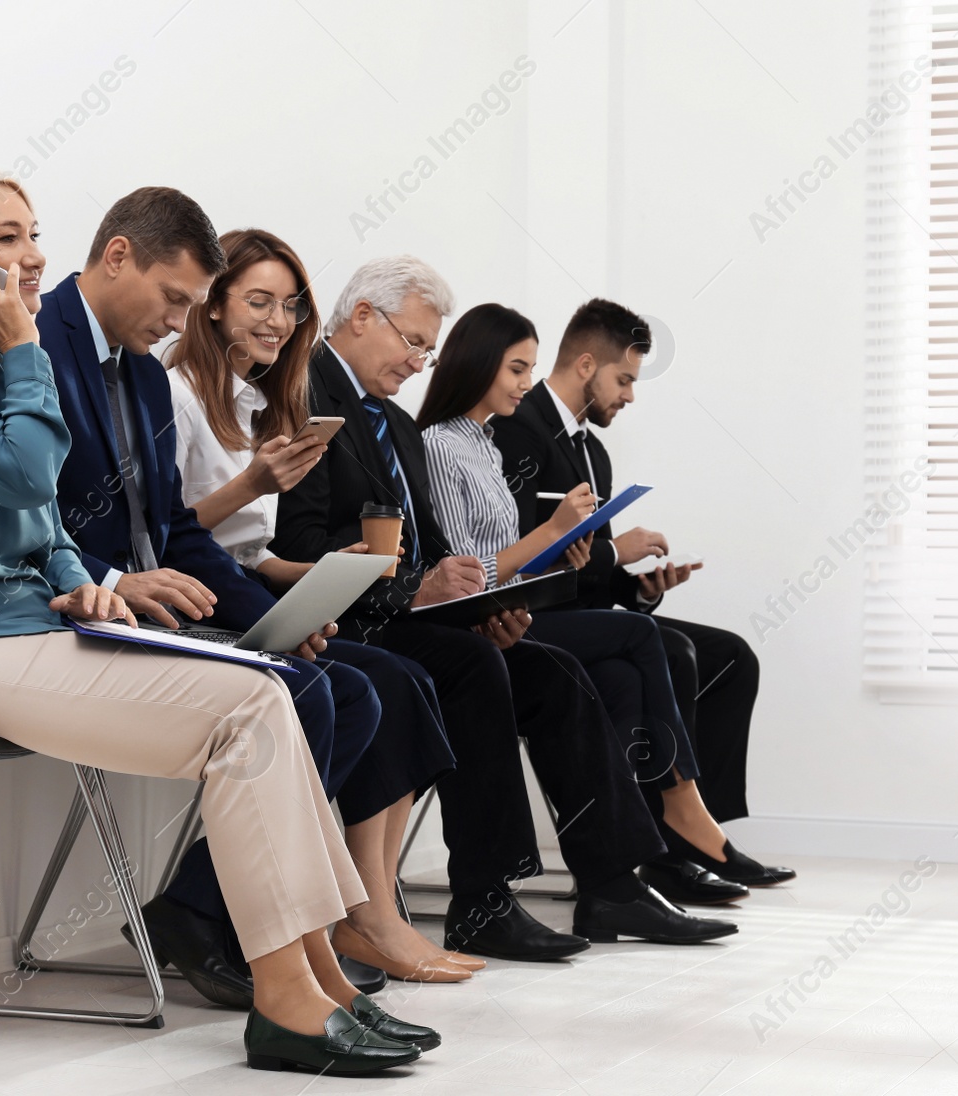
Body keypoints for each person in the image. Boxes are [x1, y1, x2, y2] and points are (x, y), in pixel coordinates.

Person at [0, 165, 427, 1073]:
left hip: (19, 630)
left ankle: (317, 975)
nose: (34, 255)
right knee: (248, 710)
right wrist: (21, 346)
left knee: (270, 690)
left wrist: (83, 581)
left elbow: (40, 527)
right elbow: (26, 477)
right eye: (6, 238)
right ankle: (285, 998)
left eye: (33, 232)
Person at [274, 256, 735, 951]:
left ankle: (612, 885)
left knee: (555, 672)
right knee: (477, 667)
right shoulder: (306, 398)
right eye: (414, 342)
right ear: (363, 316)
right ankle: (483, 898)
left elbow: (432, 551)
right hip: (358, 620)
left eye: (429, 348)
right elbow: (302, 542)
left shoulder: (396, 426)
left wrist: (476, 603)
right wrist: (420, 588)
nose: (421, 361)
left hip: (407, 613)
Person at [35, 189, 400, 1001]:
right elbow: (38, 515)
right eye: (175, 299)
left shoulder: (136, 373)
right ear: (119, 255)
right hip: (74, 611)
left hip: (152, 604)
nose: (180, 319)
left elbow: (177, 530)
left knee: (351, 693)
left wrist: (268, 621)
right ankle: (245, 927)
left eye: (193, 305)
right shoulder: (39, 347)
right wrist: (110, 581)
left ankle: (215, 913)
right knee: (306, 690)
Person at [162, 227, 467, 982]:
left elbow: (257, 553)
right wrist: (255, 488)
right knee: (359, 689)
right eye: (257, 301)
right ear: (213, 303)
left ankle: (320, 906)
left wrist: (336, 575)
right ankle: (240, 908)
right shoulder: (173, 393)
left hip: (235, 588)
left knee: (389, 687)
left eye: (287, 306)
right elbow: (164, 536)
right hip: (187, 599)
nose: (275, 320)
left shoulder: (251, 402)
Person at [419, 303, 787, 905]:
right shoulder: (504, 434)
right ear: (587, 365)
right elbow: (505, 559)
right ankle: (676, 824)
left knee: (720, 657)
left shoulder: (566, 449)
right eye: (625, 380)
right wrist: (609, 553)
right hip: (518, 613)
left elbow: (573, 564)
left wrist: (631, 584)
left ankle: (632, 863)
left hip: (549, 604)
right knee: (663, 650)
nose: (631, 397)